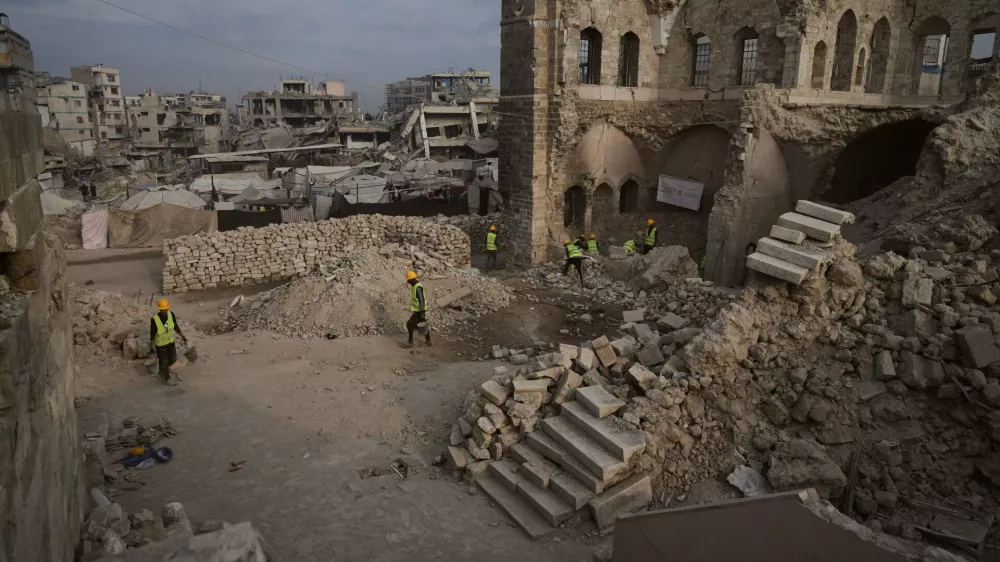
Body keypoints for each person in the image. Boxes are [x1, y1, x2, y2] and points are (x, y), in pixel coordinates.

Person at [149, 299, 187, 386]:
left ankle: (174, 377)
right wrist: (151, 347)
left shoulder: (171, 315)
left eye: (165, 309)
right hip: (161, 345)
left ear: (168, 308)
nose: (164, 311)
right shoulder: (155, 319)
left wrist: (183, 336)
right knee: (164, 362)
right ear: (159, 309)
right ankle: (166, 378)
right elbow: (152, 334)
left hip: (170, 342)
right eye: (162, 310)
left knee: (173, 360)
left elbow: (175, 326)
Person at [405, 271, 431, 348]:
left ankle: (410, 342)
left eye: (408, 280)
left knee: (409, 324)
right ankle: (428, 341)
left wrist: (422, 313)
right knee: (423, 325)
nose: (408, 281)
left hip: (420, 310)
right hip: (419, 310)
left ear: (412, 279)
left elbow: (421, 300)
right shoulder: (415, 286)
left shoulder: (417, 287)